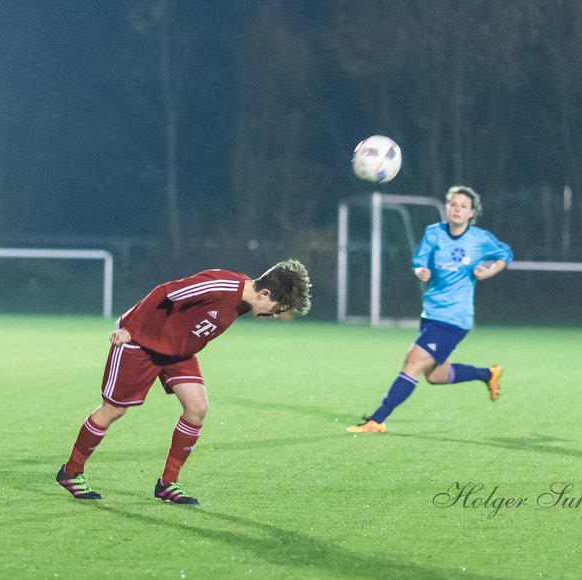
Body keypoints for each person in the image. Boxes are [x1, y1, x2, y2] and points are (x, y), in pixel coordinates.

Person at [56, 259, 313, 505]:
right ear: (265, 294)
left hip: (177, 352)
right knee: (114, 410)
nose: (276, 315)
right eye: (278, 309)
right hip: (140, 340)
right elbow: (164, 291)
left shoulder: (246, 301)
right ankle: (71, 471)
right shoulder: (220, 285)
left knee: (197, 408)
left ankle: (168, 483)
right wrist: (130, 330)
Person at [348, 185, 513, 434]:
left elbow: (506, 253)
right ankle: (488, 374)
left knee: (412, 363)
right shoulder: (434, 233)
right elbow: (418, 261)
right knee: (436, 376)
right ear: (447, 207)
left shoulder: (479, 239)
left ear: (471, 213)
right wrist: (419, 271)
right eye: (453, 204)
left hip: (454, 320)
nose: (457, 209)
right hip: (431, 315)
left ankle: (377, 419)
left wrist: (490, 271)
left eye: (463, 206)